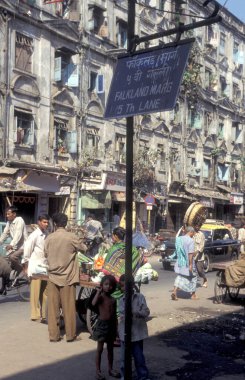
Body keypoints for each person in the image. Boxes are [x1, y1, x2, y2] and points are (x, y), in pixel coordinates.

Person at [44, 212, 87, 342]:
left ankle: (53, 335)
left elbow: (45, 254)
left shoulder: (49, 238)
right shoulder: (71, 237)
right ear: (66, 223)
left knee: (53, 309)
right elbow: (84, 248)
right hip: (68, 278)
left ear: (55, 224)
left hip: (52, 277)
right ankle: (70, 335)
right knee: (69, 308)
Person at [118, 274, 150, 380]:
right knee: (123, 359)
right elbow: (122, 314)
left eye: (125, 286)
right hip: (124, 334)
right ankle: (124, 376)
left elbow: (146, 312)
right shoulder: (121, 300)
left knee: (139, 357)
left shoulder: (140, 297)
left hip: (137, 333)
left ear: (132, 285)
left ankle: (143, 376)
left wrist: (136, 312)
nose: (124, 289)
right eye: (122, 286)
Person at [91, 274, 120, 380]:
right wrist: (98, 292)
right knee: (99, 349)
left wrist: (116, 329)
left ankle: (110, 369)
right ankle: (98, 371)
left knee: (110, 349)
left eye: (111, 285)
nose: (108, 287)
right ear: (102, 285)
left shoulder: (113, 300)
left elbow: (114, 315)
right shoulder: (101, 298)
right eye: (106, 284)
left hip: (111, 326)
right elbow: (93, 303)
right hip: (102, 326)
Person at [22, 214, 50, 323]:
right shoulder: (34, 235)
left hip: (44, 266)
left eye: (47, 222)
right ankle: (34, 314)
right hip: (35, 267)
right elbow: (27, 251)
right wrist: (26, 267)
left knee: (45, 292)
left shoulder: (46, 234)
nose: (46, 224)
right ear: (39, 222)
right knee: (35, 292)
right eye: (44, 222)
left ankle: (44, 314)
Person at [0, 206, 28, 293]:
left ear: (14, 214)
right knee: (5, 263)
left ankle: (22, 271)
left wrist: (11, 244)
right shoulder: (9, 222)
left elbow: (18, 235)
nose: (7, 216)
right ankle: (4, 287)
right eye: (6, 214)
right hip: (15, 246)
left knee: (12, 257)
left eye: (9, 214)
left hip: (23, 246)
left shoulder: (20, 220)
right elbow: (5, 233)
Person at [171, 226, 198, 301]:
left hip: (180, 262)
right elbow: (190, 254)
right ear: (190, 232)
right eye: (193, 233)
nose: (193, 235)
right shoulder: (190, 241)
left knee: (180, 276)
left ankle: (174, 292)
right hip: (188, 262)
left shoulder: (179, 239)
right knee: (194, 277)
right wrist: (190, 264)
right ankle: (193, 295)